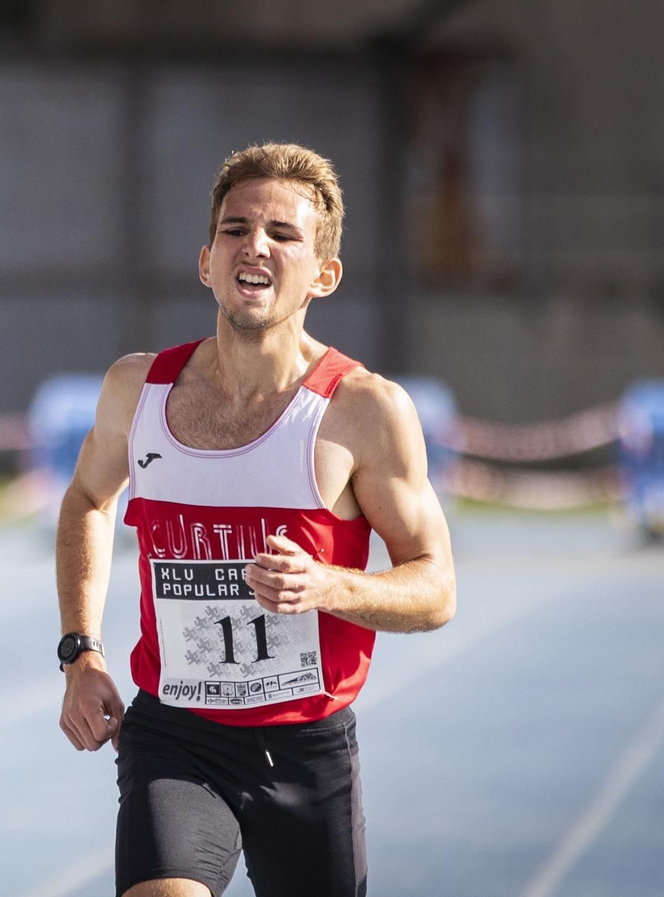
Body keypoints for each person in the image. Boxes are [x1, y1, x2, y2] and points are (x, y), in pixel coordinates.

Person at [55, 143, 457, 897]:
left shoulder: (362, 411)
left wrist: (329, 585)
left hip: (306, 749)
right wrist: (82, 650)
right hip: (176, 733)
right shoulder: (138, 390)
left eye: (283, 234)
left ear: (324, 276)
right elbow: (86, 499)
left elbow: (436, 589)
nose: (256, 246)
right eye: (236, 229)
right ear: (207, 261)